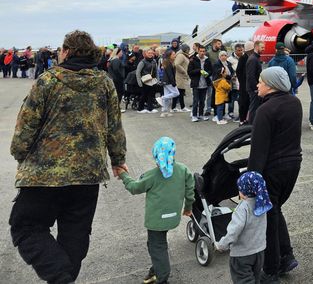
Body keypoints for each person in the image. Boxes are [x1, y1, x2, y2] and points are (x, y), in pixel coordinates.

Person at [10, 30, 127, 284]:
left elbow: (25, 126)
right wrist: (118, 159)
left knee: (26, 227)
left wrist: (19, 153)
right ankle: (63, 276)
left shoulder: (47, 81)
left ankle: (61, 278)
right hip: (87, 175)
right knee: (76, 233)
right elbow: (114, 126)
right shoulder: (104, 82)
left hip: (44, 175)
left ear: (66, 51)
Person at [247, 67, 302, 282]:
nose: (257, 85)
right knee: (275, 210)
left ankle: (271, 269)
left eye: (260, 82)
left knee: (267, 218)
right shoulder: (294, 103)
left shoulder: (266, 110)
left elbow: (258, 150)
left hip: (273, 169)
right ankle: (286, 256)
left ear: (270, 84)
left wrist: (250, 181)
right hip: (293, 164)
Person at [118, 137, 194, 284]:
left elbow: (134, 188)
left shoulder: (152, 175)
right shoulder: (183, 170)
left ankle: (162, 276)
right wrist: (188, 208)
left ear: (155, 155)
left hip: (156, 220)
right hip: (173, 217)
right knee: (156, 244)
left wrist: (123, 175)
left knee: (157, 246)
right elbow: (190, 191)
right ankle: (156, 269)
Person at [215, 171, 271, 284]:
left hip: (242, 254)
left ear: (244, 191)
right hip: (259, 251)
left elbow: (234, 230)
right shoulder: (262, 203)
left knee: (243, 280)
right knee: (255, 278)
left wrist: (222, 245)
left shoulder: (243, 208)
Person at [188, 45, 213, 122]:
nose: (202, 53)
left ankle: (201, 115)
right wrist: (198, 70)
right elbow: (189, 72)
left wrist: (207, 73)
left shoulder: (207, 60)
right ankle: (194, 115)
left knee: (202, 101)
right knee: (196, 101)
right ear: (198, 51)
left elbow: (211, 70)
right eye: (201, 51)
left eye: (203, 51)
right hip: (196, 84)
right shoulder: (193, 60)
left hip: (205, 84)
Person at [246, 40, 265, 124]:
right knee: (254, 108)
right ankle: (251, 126)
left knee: (255, 107)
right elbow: (251, 76)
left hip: (255, 87)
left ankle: (254, 124)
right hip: (254, 88)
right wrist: (256, 88)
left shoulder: (255, 58)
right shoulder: (253, 59)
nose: (264, 49)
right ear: (256, 47)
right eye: (262, 47)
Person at [136, 49, 159, 113]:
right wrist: (139, 82)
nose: (150, 54)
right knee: (144, 95)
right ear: (145, 54)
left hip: (152, 80)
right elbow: (138, 72)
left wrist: (157, 79)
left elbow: (156, 71)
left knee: (151, 95)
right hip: (145, 81)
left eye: (151, 53)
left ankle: (150, 108)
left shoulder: (154, 61)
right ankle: (140, 109)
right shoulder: (142, 62)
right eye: (149, 53)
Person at [159, 50, 180, 118]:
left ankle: (165, 112)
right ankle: (162, 98)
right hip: (168, 82)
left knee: (167, 97)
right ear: (169, 56)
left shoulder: (168, 62)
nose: (175, 55)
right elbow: (170, 74)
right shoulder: (168, 63)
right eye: (173, 54)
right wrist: (173, 82)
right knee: (176, 93)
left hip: (166, 82)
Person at [172, 43, 191, 113]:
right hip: (180, 76)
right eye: (188, 49)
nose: (189, 51)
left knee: (179, 92)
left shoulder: (183, 55)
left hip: (181, 76)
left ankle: (174, 107)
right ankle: (182, 107)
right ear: (185, 50)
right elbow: (176, 64)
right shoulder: (181, 55)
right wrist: (184, 71)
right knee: (180, 92)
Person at [237, 41, 252, 124]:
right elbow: (238, 71)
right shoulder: (243, 58)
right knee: (243, 102)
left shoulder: (250, 57)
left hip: (248, 84)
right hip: (244, 85)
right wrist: (242, 81)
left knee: (249, 102)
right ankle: (242, 120)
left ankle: (247, 119)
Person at [107, 48, 127, 112]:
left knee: (116, 94)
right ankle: (117, 108)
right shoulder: (116, 60)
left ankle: (115, 107)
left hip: (114, 79)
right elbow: (116, 69)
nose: (122, 53)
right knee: (119, 94)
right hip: (117, 80)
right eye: (121, 52)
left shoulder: (112, 60)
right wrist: (121, 76)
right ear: (118, 52)